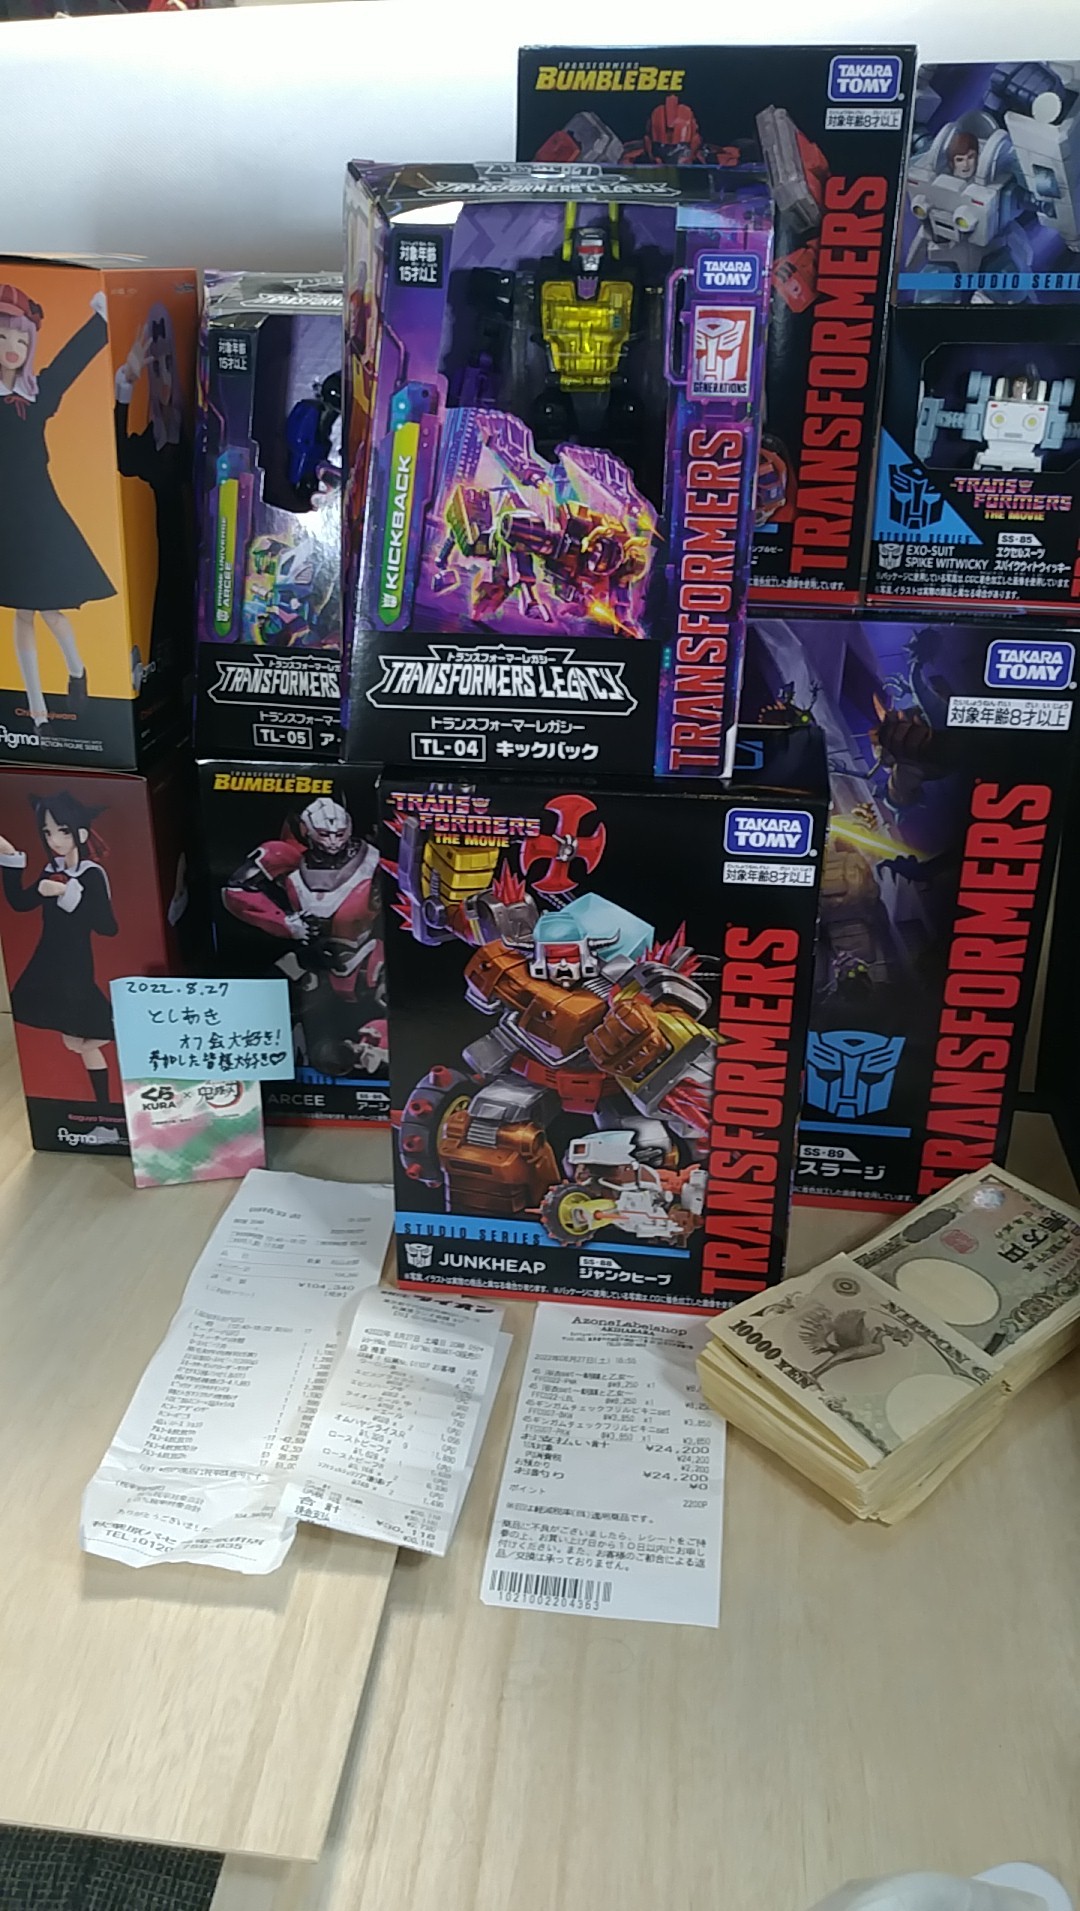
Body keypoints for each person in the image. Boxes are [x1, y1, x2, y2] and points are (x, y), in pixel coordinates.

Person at [0, 285, 115, 733]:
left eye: (21, 338)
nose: (12, 347)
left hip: (41, 512)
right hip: (5, 518)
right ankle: (37, 710)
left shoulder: (37, 394)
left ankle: (76, 669)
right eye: (3, 337)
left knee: (51, 611)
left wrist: (100, 321)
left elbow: (69, 363)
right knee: (21, 612)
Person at [0, 792, 118, 1106]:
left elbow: (108, 927)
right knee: (73, 1039)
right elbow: (20, 903)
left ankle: (107, 1112)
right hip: (47, 962)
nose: (54, 840)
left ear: (81, 834)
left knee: (91, 1033)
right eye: (48, 832)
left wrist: (69, 896)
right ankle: (104, 1113)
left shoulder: (92, 874)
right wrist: (10, 857)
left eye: (63, 831)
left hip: (76, 967)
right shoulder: (50, 869)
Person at [114, 303, 190, 681]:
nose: (163, 378)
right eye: (156, 369)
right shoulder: (155, 438)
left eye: (168, 365)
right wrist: (125, 386)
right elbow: (124, 460)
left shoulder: (197, 427)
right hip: (169, 559)